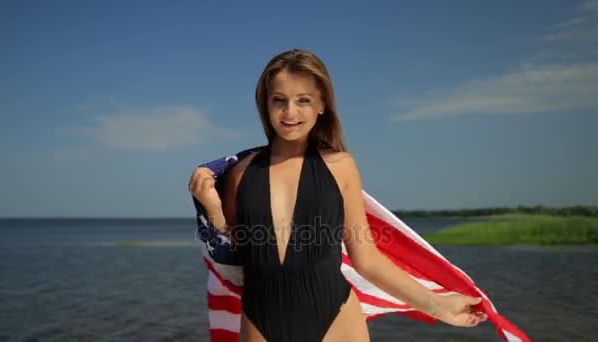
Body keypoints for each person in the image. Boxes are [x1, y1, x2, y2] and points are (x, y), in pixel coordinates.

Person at [189, 49, 487, 342]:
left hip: (336, 321)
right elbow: (232, 254)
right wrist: (213, 207)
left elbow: (366, 258)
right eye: (279, 100)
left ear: (322, 105)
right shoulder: (240, 174)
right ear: (265, 105)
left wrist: (437, 306)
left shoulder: (341, 167)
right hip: (260, 325)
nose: (290, 112)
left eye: (303, 100)